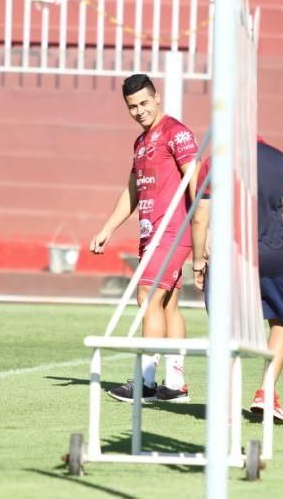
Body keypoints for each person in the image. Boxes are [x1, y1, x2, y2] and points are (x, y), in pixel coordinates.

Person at [89, 74, 200, 404]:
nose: (139, 111)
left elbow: (196, 182)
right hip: (151, 233)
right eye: (132, 106)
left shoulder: (176, 133)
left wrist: (202, 232)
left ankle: (147, 382)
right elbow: (132, 191)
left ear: (157, 98)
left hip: (172, 231)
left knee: (147, 298)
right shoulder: (140, 143)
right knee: (166, 305)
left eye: (144, 103)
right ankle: (176, 384)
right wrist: (108, 228)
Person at [191, 138, 283, 423]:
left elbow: (199, 219)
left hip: (228, 259)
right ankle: (266, 392)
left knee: (224, 331)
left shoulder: (215, 161)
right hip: (273, 255)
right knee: (281, 322)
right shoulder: (281, 158)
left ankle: (226, 405)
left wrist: (198, 262)